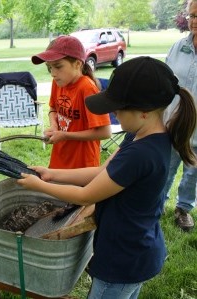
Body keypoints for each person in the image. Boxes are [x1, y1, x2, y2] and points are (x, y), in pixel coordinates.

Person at [17, 57, 197, 299]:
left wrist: (40, 185)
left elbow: (86, 194)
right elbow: (104, 171)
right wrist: (52, 174)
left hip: (123, 260)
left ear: (143, 112)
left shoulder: (141, 154)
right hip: (138, 250)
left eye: (118, 108)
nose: (112, 113)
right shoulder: (141, 136)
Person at [31, 35, 111, 169]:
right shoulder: (58, 82)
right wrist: (55, 127)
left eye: (58, 66)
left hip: (82, 165)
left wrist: (64, 135)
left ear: (78, 64)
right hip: (60, 158)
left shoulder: (87, 88)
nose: (53, 73)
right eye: (50, 67)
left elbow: (105, 132)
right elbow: (53, 108)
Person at [163, 0, 197, 232]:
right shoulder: (178, 47)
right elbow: (165, 82)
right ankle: (156, 203)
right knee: (165, 165)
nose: (194, 21)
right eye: (191, 16)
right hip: (173, 121)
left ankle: (183, 208)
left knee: (193, 171)